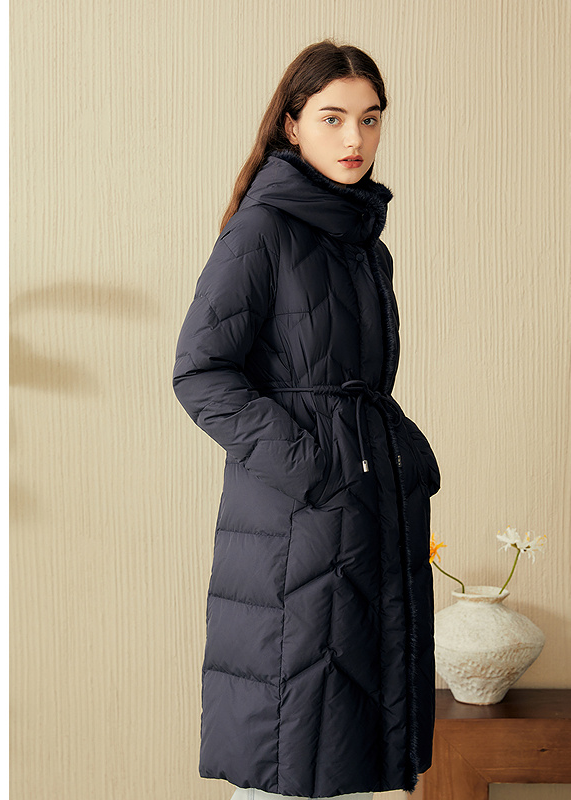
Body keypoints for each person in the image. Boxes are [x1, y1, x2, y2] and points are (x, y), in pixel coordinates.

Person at [172, 40, 441, 800]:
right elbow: (200, 372)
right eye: (333, 118)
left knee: (355, 744)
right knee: (292, 747)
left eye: (370, 118)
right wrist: (313, 468)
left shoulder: (364, 245)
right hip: (298, 522)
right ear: (292, 125)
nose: (355, 138)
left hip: (367, 512)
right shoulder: (262, 229)